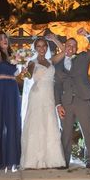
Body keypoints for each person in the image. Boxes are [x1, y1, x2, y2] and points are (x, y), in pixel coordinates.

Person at [53, 18, 90, 168]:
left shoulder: (83, 58)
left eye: (74, 46)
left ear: (76, 48)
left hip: (83, 100)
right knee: (65, 134)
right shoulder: (58, 63)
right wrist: (58, 104)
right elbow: (57, 86)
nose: (71, 47)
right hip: (66, 102)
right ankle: (64, 161)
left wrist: (87, 34)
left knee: (88, 132)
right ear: (65, 47)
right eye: (69, 45)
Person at [20, 35, 66, 169]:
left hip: (49, 96)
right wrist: (24, 72)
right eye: (39, 46)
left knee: (50, 124)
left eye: (44, 45)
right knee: (36, 125)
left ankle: (52, 159)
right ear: (35, 48)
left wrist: (54, 40)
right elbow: (25, 78)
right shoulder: (32, 62)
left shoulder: (51, 61)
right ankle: (33, 160)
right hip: (37, 95)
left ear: (47, 47)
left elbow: (64, 51)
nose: (41, 48)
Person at [0, 8, 22, 172]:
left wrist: (22, 66)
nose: (3, 40)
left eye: (5, 38)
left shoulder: (14, 56)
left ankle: (13, 159)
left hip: (13, 89)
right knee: (0, 124)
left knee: (13, 123)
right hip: (1, 89)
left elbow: (19, 73)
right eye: (0, 39)